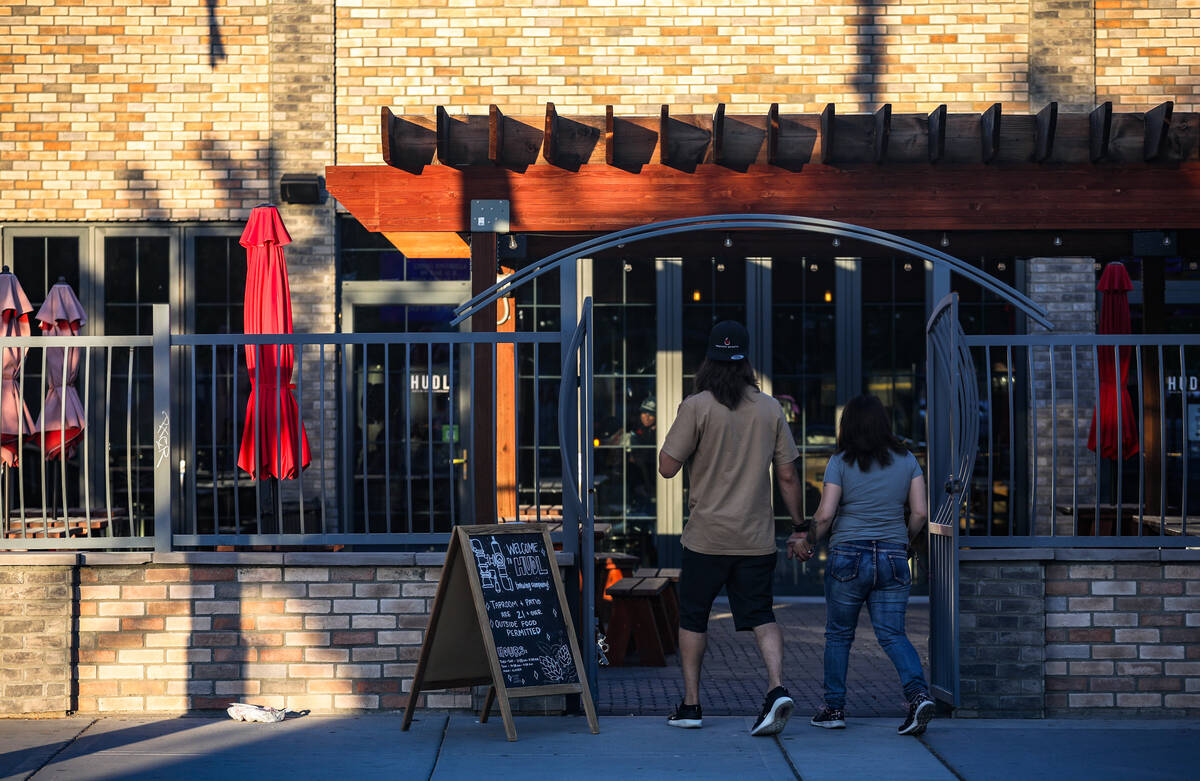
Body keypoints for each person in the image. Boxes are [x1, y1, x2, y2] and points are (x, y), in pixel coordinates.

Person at [659, 321, 814, 736]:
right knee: (761, 615)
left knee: (693, 619)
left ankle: (691, 704)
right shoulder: (769, 409)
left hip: (706, 537)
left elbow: (666, 467)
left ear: (708, 359)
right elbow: (787, 477)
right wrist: (799, 527)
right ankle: (776, 688)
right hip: (755, 538)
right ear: (747, 362)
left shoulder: (696, 406)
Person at [787, 393, 934, 736]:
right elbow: (921, 513)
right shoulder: (908, 460)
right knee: (893, 634)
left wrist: (808, 542)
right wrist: (906, 541)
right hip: (894, 555)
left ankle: (833, 708)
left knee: (839, 636)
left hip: (848, 556)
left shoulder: (840, 461)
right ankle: (918, 696)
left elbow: (825, 516)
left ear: (848, 426)